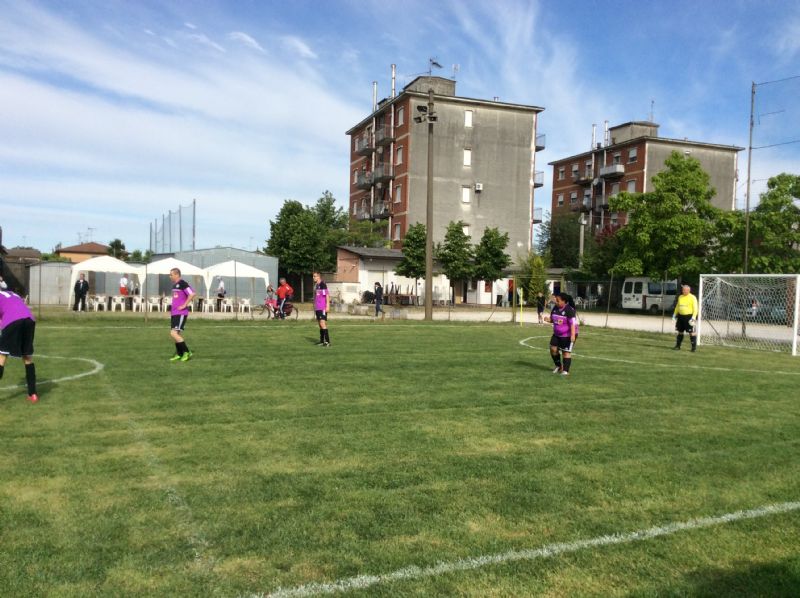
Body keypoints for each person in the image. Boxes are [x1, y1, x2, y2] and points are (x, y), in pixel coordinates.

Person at [0, 289, 38, 402]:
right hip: (29, 320)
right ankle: (33, 394)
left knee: (2, 356)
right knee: (27, 357)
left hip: (13, 320)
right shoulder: (12, 293)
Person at [544, 292, 577, 376]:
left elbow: (573, 324)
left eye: (558, 300)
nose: (556, 302)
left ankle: (565, 371)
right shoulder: (555, 308)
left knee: (566, 352)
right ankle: (558, 366)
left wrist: (573, 335)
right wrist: (548, 319)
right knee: (553, 349)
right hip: (557, 334)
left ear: (564, 301)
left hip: (568, 335)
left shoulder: (569, 310)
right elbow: (553, 319)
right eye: (556, 300)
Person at [168, 268, 196, 362]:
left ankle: (187, 352)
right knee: (175, 334)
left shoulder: (182, 283)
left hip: (180, 313)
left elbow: (192, 294)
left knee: (173, 333)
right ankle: (179, 354)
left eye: (171, 274)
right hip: (174, 313)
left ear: (177, 275)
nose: (170, 276)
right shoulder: (175, 285)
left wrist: (184, 305)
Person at [672, 283, 699, 352]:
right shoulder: (680, 297)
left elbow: (695, 308)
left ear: (689, 290)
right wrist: (674, 315)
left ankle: (693, 348)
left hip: (689, 317)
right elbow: (677, 307)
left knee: (692, 332)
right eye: (683, 290)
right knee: (680, 332)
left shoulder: (692, 297)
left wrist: (693, 317)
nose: (683, 291)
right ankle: (678, 346)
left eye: (685, 290)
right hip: (681, 317)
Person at [312, 271, 331, 346]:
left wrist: (328, 306)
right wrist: (314, 305)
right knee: (320, 324)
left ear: (318, 276)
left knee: (322, 323)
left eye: (315, 276)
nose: (313, 277)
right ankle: (322, 341)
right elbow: (316, 296)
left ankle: (327, 342)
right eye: (313, 276)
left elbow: (327, 295)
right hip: (318, 307)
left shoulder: (322, 284)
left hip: (322, 307)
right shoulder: (316, 285)